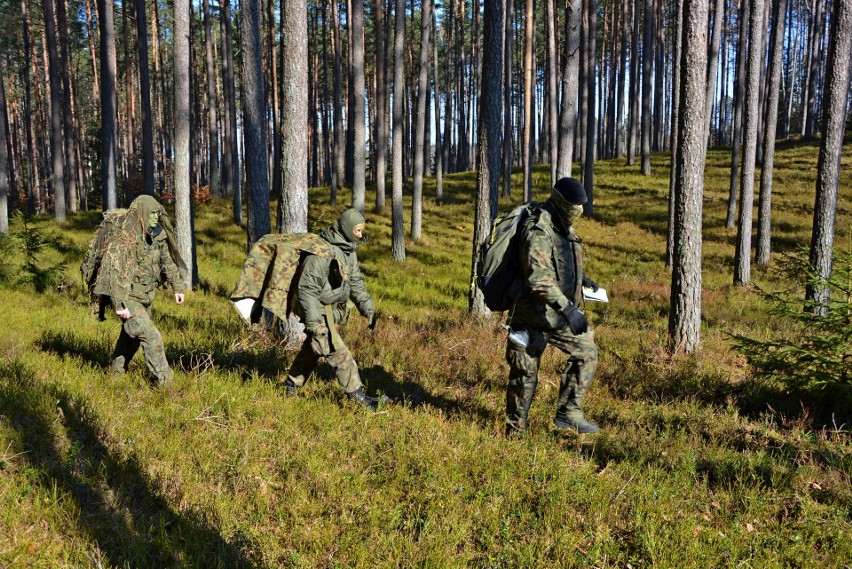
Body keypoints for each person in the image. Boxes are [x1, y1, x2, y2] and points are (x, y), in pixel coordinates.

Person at [505, 177, 601, 435]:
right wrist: (568, 310)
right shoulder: (538, 229)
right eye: (574, 205)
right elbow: (538, 278)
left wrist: (583, 282)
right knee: (524, 377)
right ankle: (515, 432)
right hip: (530, 316)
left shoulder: (562, 224)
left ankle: (568, 413)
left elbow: (559, 265)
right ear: (560, 201)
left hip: (556, 318)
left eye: (581, 205)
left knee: (587, 351)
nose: (578, 210)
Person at [284, 208, 380, 411]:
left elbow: (355, 282)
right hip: (313, 306)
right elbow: (307, 289)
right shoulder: (321, 251)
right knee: (337, 351)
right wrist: (314, 323)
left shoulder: (348, 250)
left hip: (326, 306)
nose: (360, 235)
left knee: (314, 348)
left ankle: (290, 386)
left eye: (361, 231)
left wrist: (368, 309)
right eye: (357, 231)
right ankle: (358, 397)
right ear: (346, 228)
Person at [95, 195, 187, 385]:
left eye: (157, 213)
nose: (155, 217)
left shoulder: (157, 234)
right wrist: (119, 304)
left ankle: (115, 374)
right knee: (151, 336)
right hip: (128, 298)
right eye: (152, 214)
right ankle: (166, 383)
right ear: (142, 214)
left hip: (146, 296)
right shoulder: (124, 238)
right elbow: (114, 273)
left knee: (131, 338)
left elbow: (167, 262)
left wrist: (177, 286)